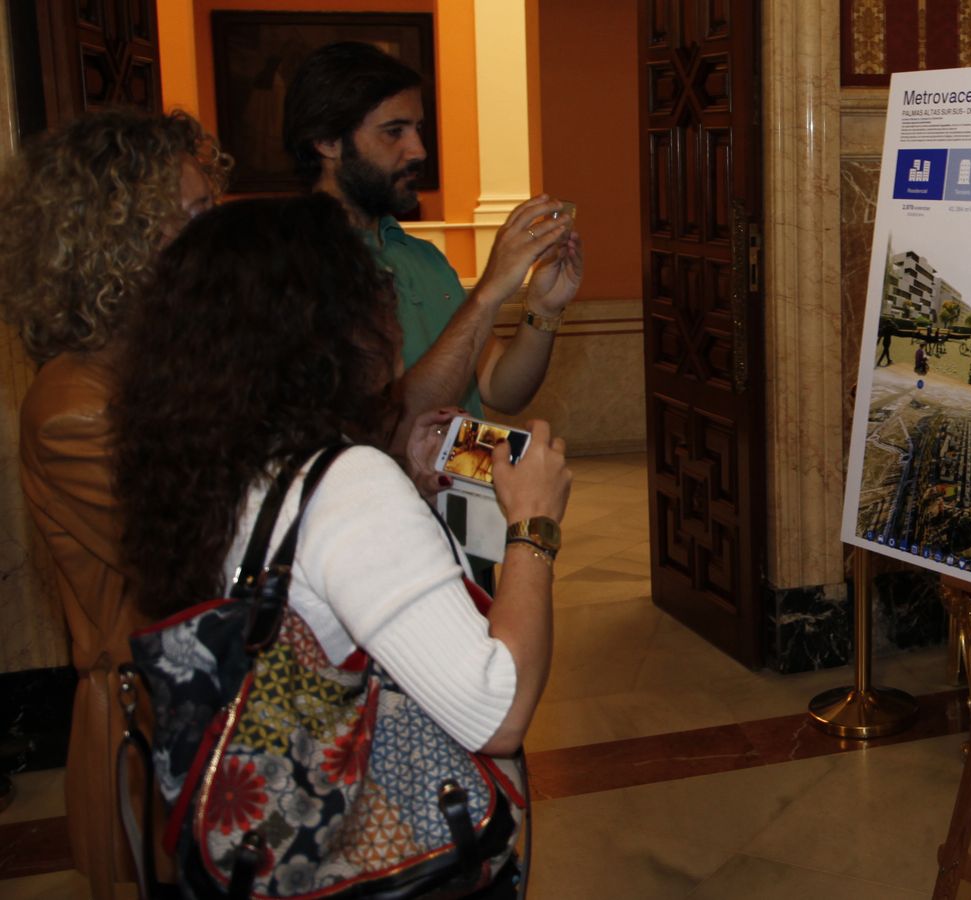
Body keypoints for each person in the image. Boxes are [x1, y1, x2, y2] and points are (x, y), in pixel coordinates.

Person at [110, 195, 569, 891]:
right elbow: (496, 712)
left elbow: (307, 584)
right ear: (328, 325)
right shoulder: (348, 484)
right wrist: (532, 525)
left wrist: (405, 498)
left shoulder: (210, 465)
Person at [0, 109, 227, 899]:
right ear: (121, 238)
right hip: (151, 724)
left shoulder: (155, 368)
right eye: (195, 214)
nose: (212, 232)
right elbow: (211, 546)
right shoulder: (75, 407)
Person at [281, 41, 582, 429]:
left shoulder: (421, 257)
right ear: (326, 141)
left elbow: (500, 389)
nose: (419, 150)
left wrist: (543, 309)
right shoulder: (296, 266)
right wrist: (490, 291)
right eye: (394, 132)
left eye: (418, 129)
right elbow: (393, 424)